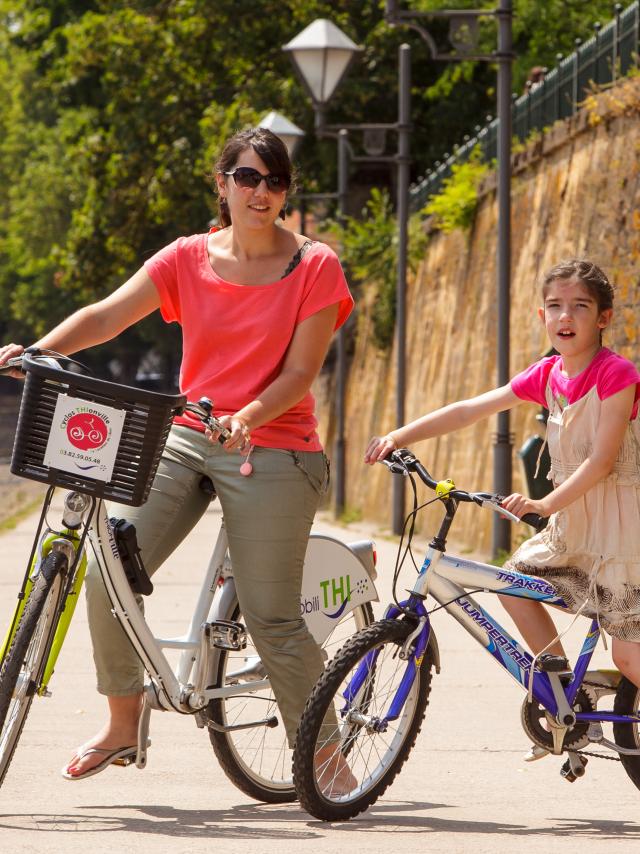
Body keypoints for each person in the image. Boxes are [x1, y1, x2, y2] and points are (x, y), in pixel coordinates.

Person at [0, 127, 355, 785]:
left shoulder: (315, 266)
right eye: (248, 177)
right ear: (221, 183)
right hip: (190, 434)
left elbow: (301, 372)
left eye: (275, 181)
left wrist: (248, 417)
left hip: (276, 445)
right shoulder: (187, 258)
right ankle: (123, 722)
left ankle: (327, 756)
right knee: (108, 562)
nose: (261, 192)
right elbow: (107, 317)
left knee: (272, 615)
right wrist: (35, 351)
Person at [365, 258, 640, 757]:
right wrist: (397, 436)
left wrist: (542, 503)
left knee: (629, 656)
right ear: (541, 316)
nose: (566, 316)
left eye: (580, 306)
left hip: (625, 532)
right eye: (555, 305)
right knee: (512, 583)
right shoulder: (548, 375)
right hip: (575, 527)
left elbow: (601, 462)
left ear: (602, 318)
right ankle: (564, 692)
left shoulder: (616, 375)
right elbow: (470, 408)